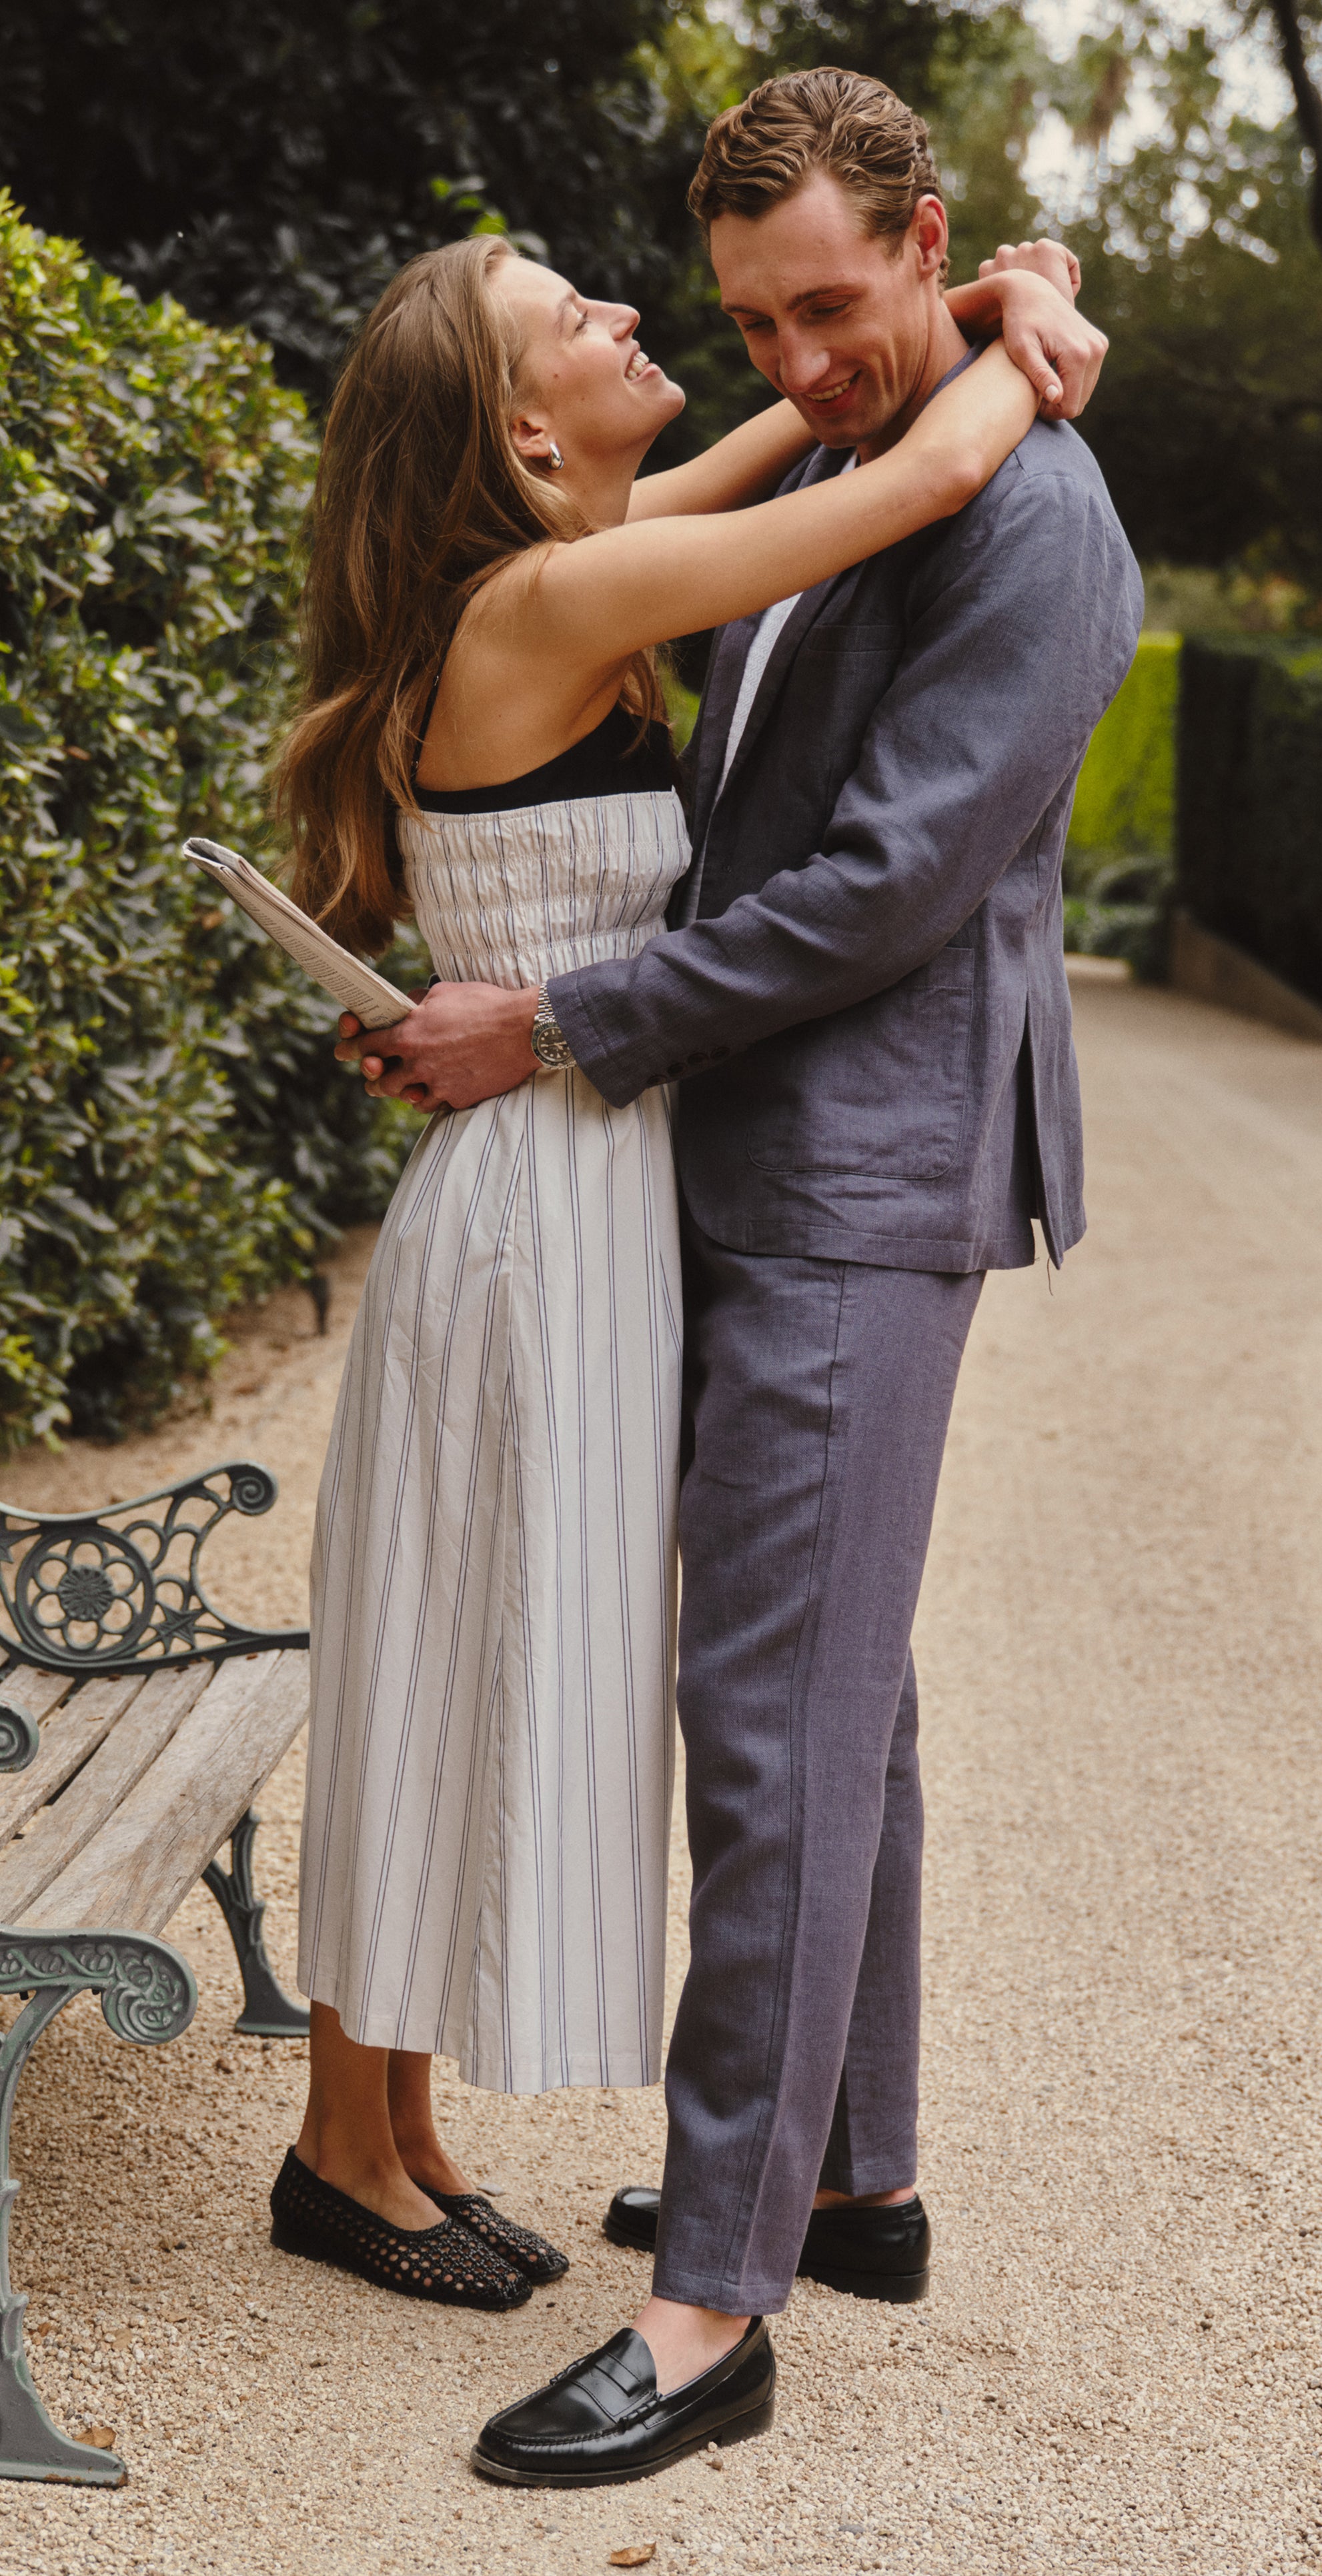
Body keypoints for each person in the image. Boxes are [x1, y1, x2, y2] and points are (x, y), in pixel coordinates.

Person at [275, 77, 1109, 2331]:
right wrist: (1019, 326)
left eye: (808, 301)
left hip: (604, 1169)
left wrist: (1001, 313)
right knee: (506, 1654)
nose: (707, 336)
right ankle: (381, 2146)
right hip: (558, 1199)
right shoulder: (577, 585)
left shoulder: (633, 540)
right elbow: (899, 461)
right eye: (600, 314)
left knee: (698, 1686)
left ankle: (535, 2158)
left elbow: (846, 474)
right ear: (529, 446)